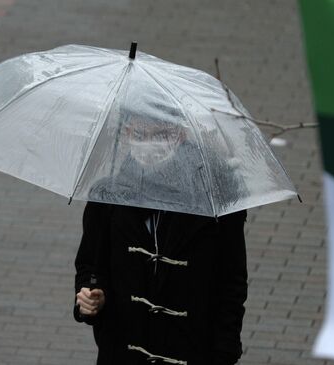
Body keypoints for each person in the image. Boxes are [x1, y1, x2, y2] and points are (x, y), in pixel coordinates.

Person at [73, 112, 249, 365]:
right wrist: (91, 296)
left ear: (180, 135)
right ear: (126, 135)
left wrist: (225, 351)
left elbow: (231, 283)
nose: (149, 144)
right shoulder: (107, 196)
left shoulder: (216, 198)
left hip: (192, 348)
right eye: (140, 135)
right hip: (124, 349)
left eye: (161, 135)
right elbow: (90, 264)